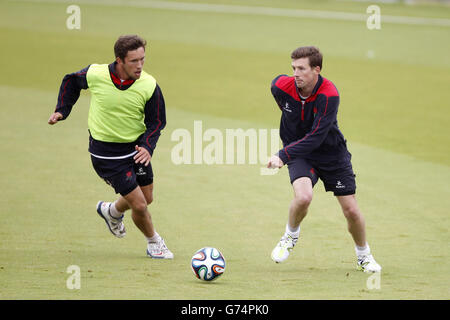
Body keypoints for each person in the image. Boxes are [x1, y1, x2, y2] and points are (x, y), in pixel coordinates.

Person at [48, 35, 173, 259]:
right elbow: (71, 81)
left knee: (147, 197)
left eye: (143, 59)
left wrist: (147, 146)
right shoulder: (96, 74)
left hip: (135, 150)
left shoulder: (149, 85)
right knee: (140, 205)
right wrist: (62, 110)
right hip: (106, 153)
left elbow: (157, 121)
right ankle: (155, 242)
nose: (140, 65)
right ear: (119, 60)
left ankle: (111, 211)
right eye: (134, 61)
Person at [267, 46, 381, 272]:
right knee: (303, 197)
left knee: (351, 210)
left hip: (331, 154)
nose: (295, 74)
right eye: (293, 68)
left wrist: (282, 154)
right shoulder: (279, 86)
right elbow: (288, 114)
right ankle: (290, 236)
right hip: (301, 153)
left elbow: (317, 137)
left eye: (301, 69)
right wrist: (290, 148)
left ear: (316, 69)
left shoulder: (329, 94)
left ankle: (364, 255)